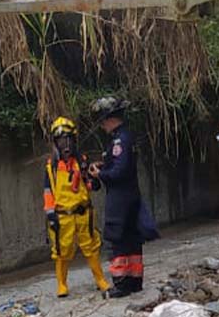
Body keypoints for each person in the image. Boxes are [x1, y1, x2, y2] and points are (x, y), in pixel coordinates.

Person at [88, 96, 158, 298]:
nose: (101, 126)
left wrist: (99, 174)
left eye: (102, 121)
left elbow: (119, 172)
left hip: (120, 199)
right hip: (130, 196)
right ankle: (134, 281)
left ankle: (121, 284)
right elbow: (121, 166)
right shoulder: (125, 137)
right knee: (131, 238)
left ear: (109, 119)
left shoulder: (119, 140)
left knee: (117, 239)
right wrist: (105, 166)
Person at [43, 116, 111, 297]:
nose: (65, 144)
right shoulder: (52, 167)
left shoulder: (82, 162)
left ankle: (100, 279)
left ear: (74, 140)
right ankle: (62, 284)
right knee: (61, 250)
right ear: (55, 143)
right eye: (60, 140)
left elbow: (91, 185)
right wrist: (50, 214)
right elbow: (48, 190)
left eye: (68, 139)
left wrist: (93, 180)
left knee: (91, 246)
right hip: (62, 215)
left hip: (83, 212)